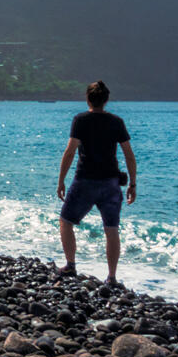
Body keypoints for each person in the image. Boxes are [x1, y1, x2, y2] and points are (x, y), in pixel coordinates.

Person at [56, 80, 136, 288]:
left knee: (66, 221)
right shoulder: (116, 122)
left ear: (87, 98)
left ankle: (71, 265)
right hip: (111, 183)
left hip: (85, 180)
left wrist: (61, 180)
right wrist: (133, 184)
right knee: (111, 229)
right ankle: (111, 277)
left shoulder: (80, 120)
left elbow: (70, 151)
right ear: (106, 100)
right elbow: (129, 154)